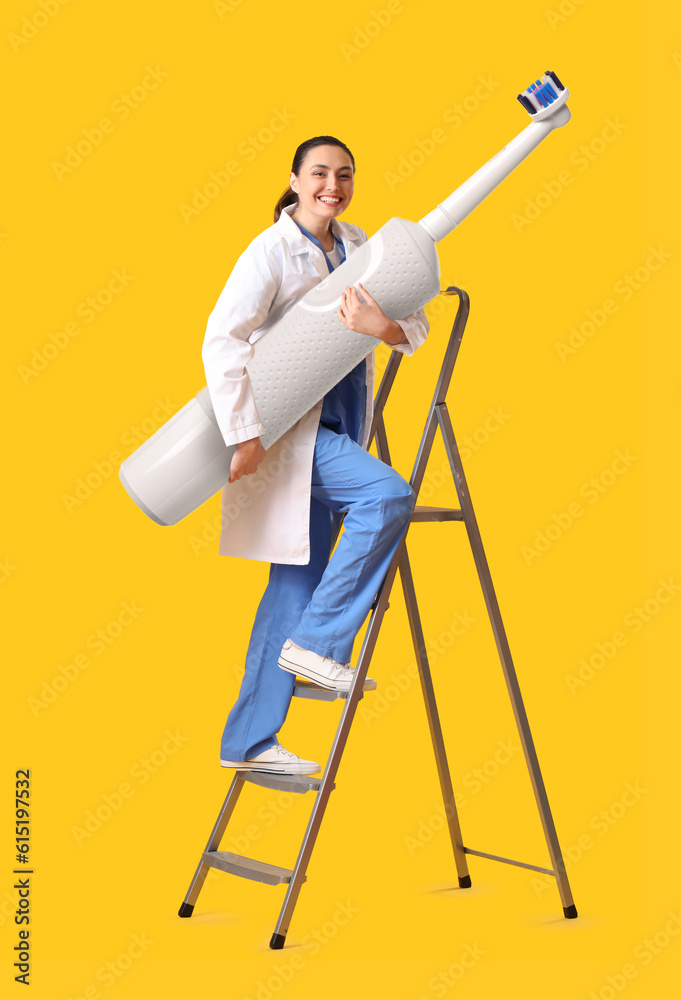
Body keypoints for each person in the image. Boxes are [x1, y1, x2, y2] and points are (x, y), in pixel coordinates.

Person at [202, 135, 430, 776]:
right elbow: (222, 341)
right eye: (321, 174)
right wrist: (244, 433)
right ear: (296, 180)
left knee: (292, 586)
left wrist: (380, 329)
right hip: (291, 435)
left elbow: (415, 326)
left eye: (345, 175)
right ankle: (321, 644)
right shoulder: (270, 251)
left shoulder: (361, 246)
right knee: (386, 495)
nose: (333, 185)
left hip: (339, 430)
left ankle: (248, 743)